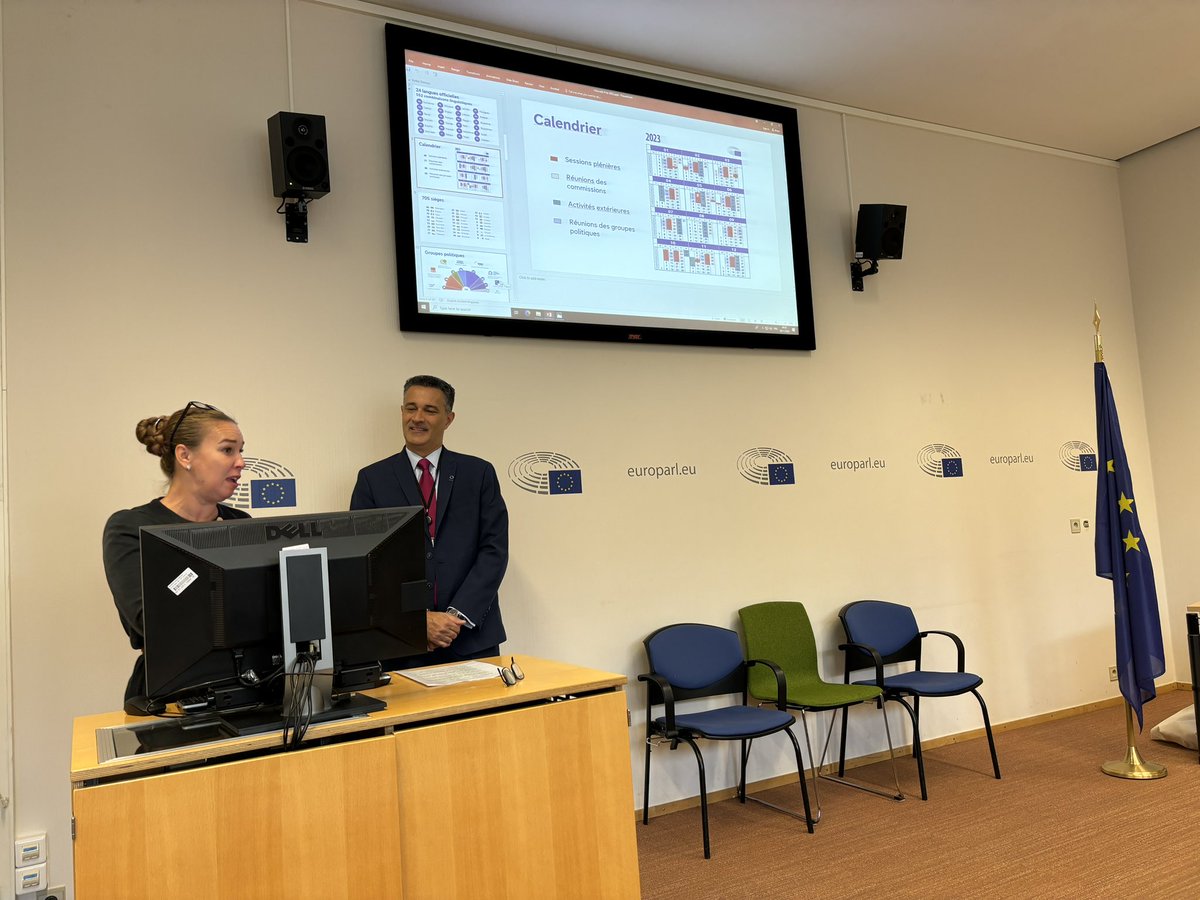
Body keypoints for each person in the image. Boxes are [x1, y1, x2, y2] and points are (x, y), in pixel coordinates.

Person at [350, 375, 508, 664]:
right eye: (411, 408)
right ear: (401, 413)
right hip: (401, 642)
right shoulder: (373, 480)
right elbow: (366, 563)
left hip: (471, 638)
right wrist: (417, 619)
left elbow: (493, 551)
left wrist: (455, 617)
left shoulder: (479, 474)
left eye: (430, 410)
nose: (417, 418)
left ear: (448, 419)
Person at [103, 402, 249, 713]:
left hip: (247, 689)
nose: (241, 462)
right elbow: (151, 620)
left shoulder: (242, 523)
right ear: (185, 456)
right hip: (171, 698)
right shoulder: (130, 527)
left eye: (240, 451)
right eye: (227, 450)